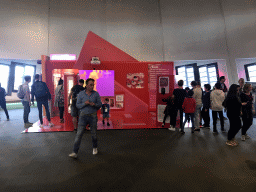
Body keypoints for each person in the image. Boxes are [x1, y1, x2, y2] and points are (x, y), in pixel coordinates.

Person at [69, 78, 102, 158]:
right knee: (79, 134)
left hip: (93, 116)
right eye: (90, 85)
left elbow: (100, 105)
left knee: (94, 134)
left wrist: (94, 104)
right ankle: (75, 152)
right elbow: (78, 105)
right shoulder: (81, 94)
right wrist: (85, 103)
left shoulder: (96, 94)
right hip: (83, 116)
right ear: (86, 85)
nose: (92, 86)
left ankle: (95, 147)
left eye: (93, 85)